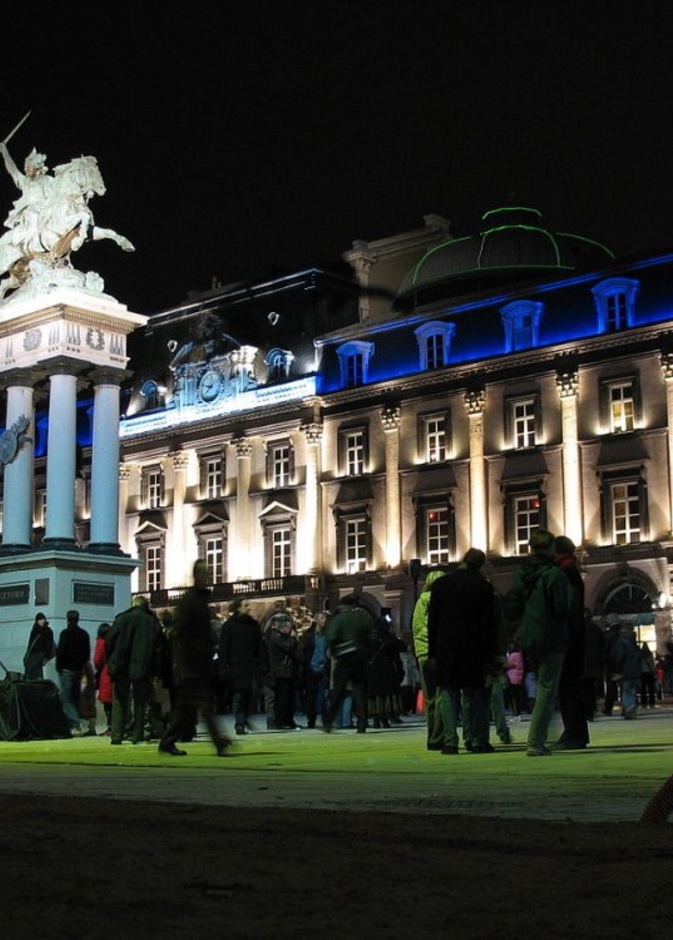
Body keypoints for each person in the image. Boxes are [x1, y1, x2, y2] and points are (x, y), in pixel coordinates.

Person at [427, 548, 500, 754]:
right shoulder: (483, 586)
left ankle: (450, 741)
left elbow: (433, 622)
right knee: (473, 694)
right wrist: (490, 654)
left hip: (446, 648)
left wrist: (432, 653)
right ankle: (475, 739)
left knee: (448, 694)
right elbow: (488, 624)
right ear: (480, 565)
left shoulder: (441, 585)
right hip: (474, 648)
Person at [505, 529, 571, 757]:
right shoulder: (554, 574)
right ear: (550, 548)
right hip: (551, 635)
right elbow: (563, 607)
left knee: (540, 684)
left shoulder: (521, 574)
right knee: (546, 687)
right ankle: (536, 741)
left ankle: (538, 737)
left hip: (529, 636)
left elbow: (513, 603)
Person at [158, 561, 232, 756]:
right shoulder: (190, 601)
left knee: (186, 708)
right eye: (204, 573)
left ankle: (167, 741)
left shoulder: (198, 600)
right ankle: (218, 741)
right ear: (196, 575)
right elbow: (181, 634)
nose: (208, 577)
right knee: (204, 705)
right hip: (192, 664)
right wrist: (185, 663)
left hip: (198, 663)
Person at [107, 596, 161, 746]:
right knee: (140, 701)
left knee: (120, 700)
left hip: (121, 665)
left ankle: (117, 735)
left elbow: (110, 641)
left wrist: (112, 660)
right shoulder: (151, 621)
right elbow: (159, 646)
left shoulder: (121, 618)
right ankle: (138, 734)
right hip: (143, 665)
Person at [553, 536, 589, 750]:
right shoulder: (571, 570)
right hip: (573, 636)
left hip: (568, 637)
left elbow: (566, 606)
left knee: (569, 687)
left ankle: (574, 735)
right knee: (570, 687)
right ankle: (575, 733)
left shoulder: (565, 572)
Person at [323, 595, 378, 733]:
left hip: (343, 658)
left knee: (338, 691)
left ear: (342, 606)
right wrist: (367, 654)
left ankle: (328, 722)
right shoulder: (363, 617)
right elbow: (373, 635)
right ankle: (362, 723)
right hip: (360, 657)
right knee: (360, 691)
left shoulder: (339, 619)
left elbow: (331, 637)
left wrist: (335, 652)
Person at [412, 568, 447, 750]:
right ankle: (439, 736)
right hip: (438, 653)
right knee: (442, 695)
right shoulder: (441, 601)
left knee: (429, 697)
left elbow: (417, 629)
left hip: (422, 654)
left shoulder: (419, 602)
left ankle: (431, 737)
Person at [218, 598, 263, 735]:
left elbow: (259, 645)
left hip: (250, 665)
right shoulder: (229, 626)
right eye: (245, 605)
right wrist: (223, 666)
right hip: (236, 666)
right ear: (238, 608)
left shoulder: (253, 625)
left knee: (250, 695)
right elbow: (224, 648)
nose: (249, 607)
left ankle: (245, 719)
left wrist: (261, 662)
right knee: (239, 696)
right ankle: (240, 723)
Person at [55, 610, 91, 736]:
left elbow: (61, 652)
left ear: (67, 619)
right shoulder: (84, 634)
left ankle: (77, 723)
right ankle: (74, 727)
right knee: (74, 699)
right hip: (78, 670)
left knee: (66, 700)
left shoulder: (65, 634)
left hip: (66, 670)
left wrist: (59, 667)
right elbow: (86, 655)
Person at [267, 610, 301, 729]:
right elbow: (289, 647)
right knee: (282, 699)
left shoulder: (282, 636)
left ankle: (288, 720)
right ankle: (280, 721)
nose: (290, 628)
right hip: (281, 672)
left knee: (290, 698)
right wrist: (294, 639)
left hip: (288, 671)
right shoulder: (276, 636)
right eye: (288, 626)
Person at [298, 611, 330, 729]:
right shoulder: (308, 635)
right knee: (311, 696)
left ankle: (326, 720)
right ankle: (311, 720)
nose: (325, 620)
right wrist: (308, 663)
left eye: (325, 618)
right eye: (322, 618)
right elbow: (301, 651)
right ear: (316, 620)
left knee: (324, 696)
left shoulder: (326, 635)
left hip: (323, 668)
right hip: (311, 669)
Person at [93, 623, 114, 735]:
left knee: (107, 702)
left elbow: (98, 660)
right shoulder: (115, 640)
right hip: (116, 672)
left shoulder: (101, 642)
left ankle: (110, 726)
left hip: (106, 673)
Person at [22, 611, 55, 680]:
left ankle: (33, 680)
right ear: (37, 621)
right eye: (40, 620)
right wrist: (27, 653)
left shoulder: (48, 631)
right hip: (33, 653)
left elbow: (49, 644)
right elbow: (30, 643)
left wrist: (46, 657)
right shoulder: (34, 630)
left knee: (34, 666)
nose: (42, 621)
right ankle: (34, 681)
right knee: (33, 668)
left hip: (41, 653)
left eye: (43, 619)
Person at [640, 642, 656, 709]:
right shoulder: (650, 654)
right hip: (650, 673)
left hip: (643, 673)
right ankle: (652, 701)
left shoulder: (640, 655)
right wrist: (654, 672)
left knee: (643, 689)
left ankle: (644, 701)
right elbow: (652, 664)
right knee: (651, 689)